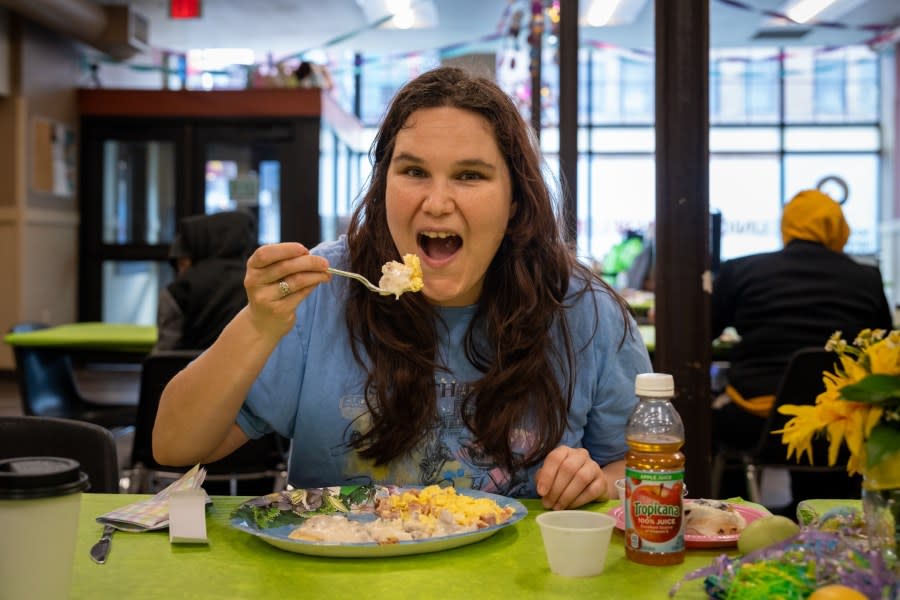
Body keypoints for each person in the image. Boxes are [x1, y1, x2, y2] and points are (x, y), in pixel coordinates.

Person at [153, 67, 651, 510]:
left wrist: (600, 484)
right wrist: (258, 325)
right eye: (413, 171)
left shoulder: (584, 310)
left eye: (470, 176)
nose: (437, 202)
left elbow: (646, 469)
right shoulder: (325, 286)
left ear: (515, 202)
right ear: (383, 185)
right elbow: (174, 445)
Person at [711, 188, 893, 503]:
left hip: (757, 423)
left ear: (787, 225)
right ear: (838, 227)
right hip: (839, 425)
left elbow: (705, 331)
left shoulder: (741, 271)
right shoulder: (866, 278)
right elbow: (883, 351)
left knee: (711, 421)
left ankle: (736, 517)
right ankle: (829, 521)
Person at [154, 210, 257, 352]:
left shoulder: (178, 290)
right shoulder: (256, 282)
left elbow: (165, 354)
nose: (180, 271)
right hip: (252, 372)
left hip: (190, 372)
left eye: (182, 263)